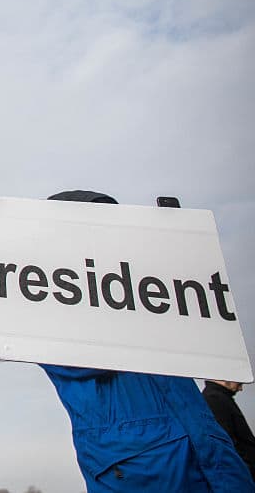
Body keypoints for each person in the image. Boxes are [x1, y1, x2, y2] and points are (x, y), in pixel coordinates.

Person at [41, 189, 253, 492]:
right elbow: (79, 361)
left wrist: (173, 243)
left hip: (215, 465)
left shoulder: (148, 292)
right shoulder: (45, 305)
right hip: (142, 470)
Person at [203, 379, 255, 477]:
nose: (240, 388)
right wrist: (247, 470)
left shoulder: (219, 397)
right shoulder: (215, 398)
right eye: (239, 382)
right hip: (241, 474)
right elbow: (227, 440)